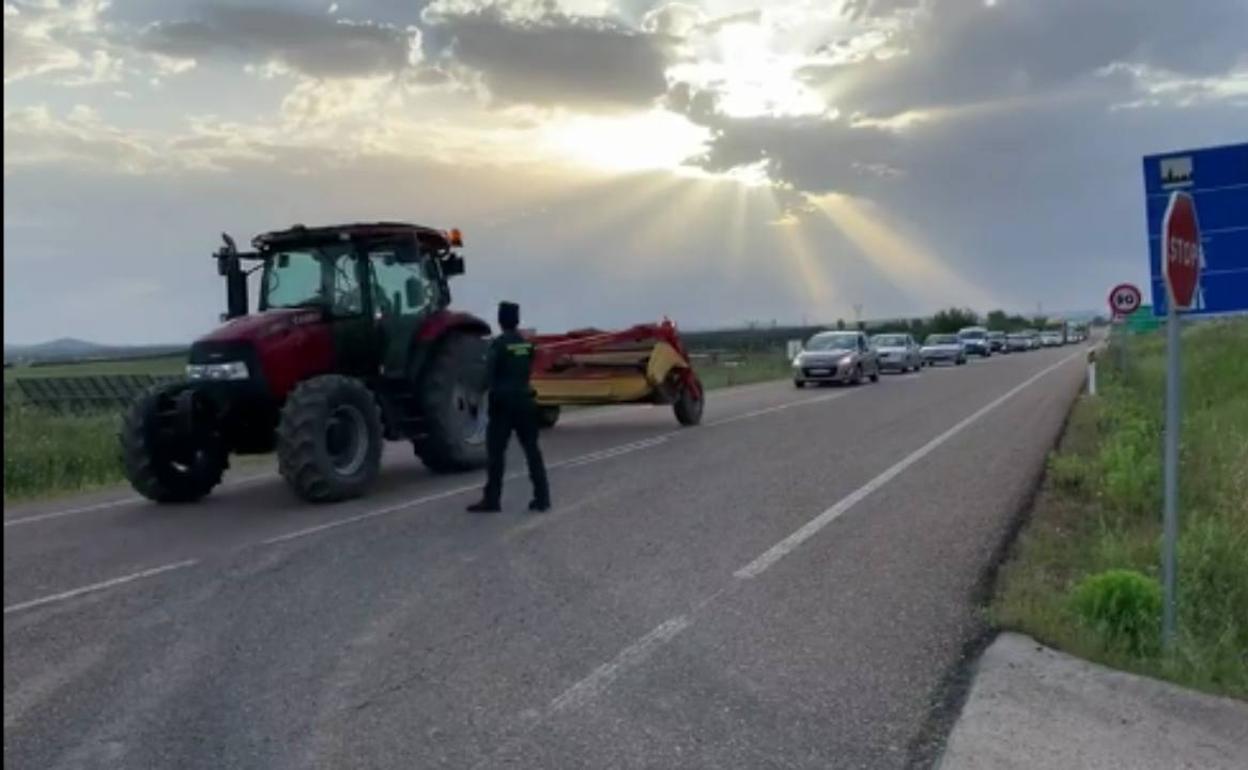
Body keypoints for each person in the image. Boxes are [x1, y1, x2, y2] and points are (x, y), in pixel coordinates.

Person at [467, 301, 551, 513]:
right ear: (517, 319)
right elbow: (528, 368)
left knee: (496, 454)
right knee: (532, 451)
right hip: (525, 402)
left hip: (503, 405)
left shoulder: (498, 345)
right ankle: (542, 497)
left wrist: (476, 395)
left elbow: (487, 375)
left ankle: (492, 500)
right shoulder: (526, 345)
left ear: (500, 320)